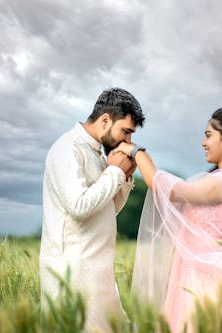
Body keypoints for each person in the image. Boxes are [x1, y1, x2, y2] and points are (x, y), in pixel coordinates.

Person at [114, 107, 222, 332]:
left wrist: (136, 151)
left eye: (208, 135)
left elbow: (172, 191)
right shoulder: (221, 180)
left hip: (206, 280)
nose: (203, 143)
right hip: (193, 274)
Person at [39, 88, 145, 332]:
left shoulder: (96, 151)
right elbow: (79, 206)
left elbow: (106, 210)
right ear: (105, 119)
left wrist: (125, 177)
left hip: (98, 271)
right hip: (73, 273)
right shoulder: (68, 148)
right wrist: (115, 172)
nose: (128, 141)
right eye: (125, 131)